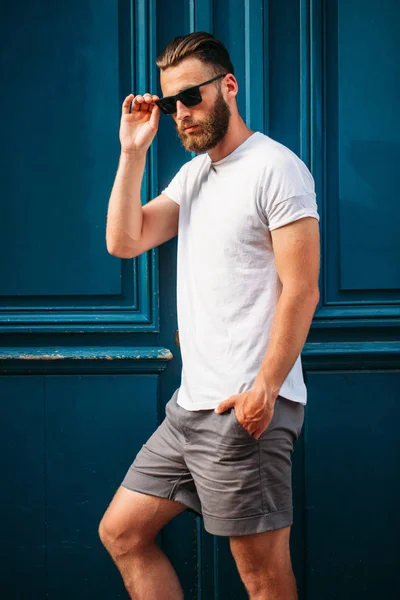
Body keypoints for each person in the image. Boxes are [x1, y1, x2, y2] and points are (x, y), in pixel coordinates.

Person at [99, 31, 320, 600]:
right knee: (122, 534)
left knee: (263, 579)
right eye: (171, 104)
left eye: (191, 98)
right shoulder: (194, 175)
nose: (180, 114)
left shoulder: (277, 168)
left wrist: (265, 390)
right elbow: (125, 240)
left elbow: (302, 290)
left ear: (228, 85)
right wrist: (133, 152)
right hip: (188, 410)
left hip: (243, 411)